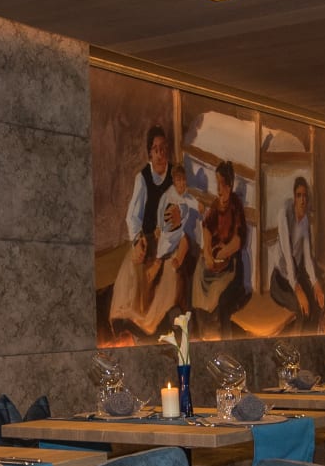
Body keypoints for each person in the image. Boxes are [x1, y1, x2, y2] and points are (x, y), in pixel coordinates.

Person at [107, 124, 202, 336]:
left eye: (163, 148)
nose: (160, 154)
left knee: (171, 271)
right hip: (149, 239)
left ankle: (155, 322)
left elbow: (186, 204)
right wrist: (137, 240)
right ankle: (128, 321)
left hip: (171, 239)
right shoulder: (142, 178)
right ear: (150, 152)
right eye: (156, 149)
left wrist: (180, 215)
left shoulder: (175, 176)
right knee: (131, 266)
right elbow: (133, 216)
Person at [189, 158, 250, 337]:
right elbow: (207, 228)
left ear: (230, 186)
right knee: (198, 272)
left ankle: (219, 336)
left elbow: (238, 240)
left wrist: (222, 254)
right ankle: (201, 332)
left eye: (222, 184)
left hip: (230, 264)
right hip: (215, 260)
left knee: (218, 293)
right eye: (218, 184)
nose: (219, 189)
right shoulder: (216, 205)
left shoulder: (235, 206)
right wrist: (209, 253)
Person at [270, 174, 325, 331]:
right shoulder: (284, 213)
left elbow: (307, 257)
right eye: (299, 196)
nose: (302, 200)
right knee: (302, 310)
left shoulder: (305, 220)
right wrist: (297, 289)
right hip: (281, 281)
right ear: (294, 198)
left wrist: (315, 283)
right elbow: (288, 255)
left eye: (305, 196)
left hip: (296, 277)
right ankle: (297, 344)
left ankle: (311, 343)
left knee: (316, 306)